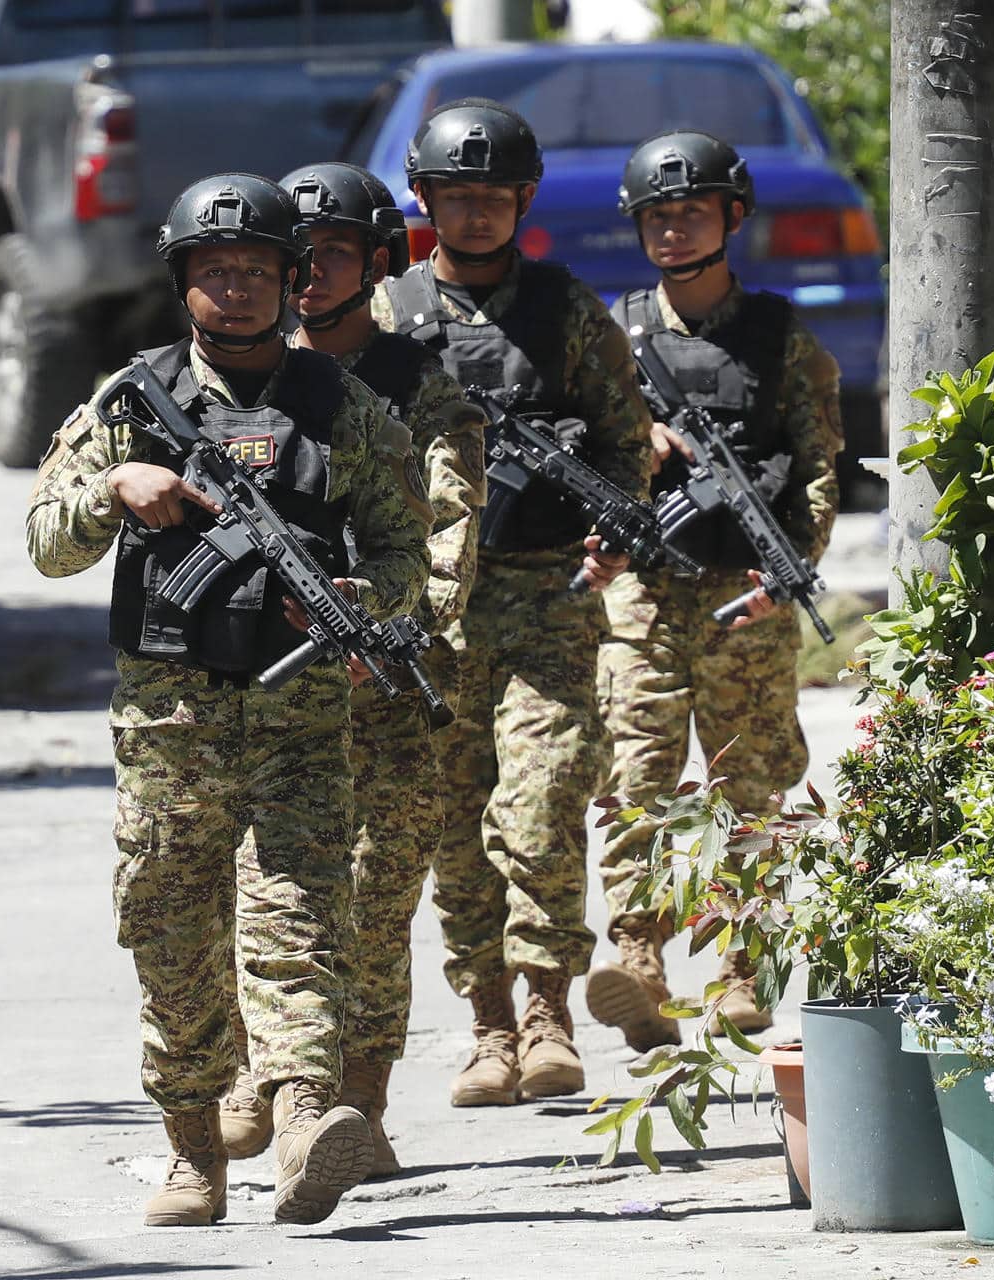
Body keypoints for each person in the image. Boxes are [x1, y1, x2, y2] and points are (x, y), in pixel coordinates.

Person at [25, 172, 431, 1227]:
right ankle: (194, 1147)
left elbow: (404, 548)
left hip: (298, 718)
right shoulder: (132, 399)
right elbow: (43, 540)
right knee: (170, 933)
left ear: (297, 281)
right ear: (183, 282)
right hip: (169, 723)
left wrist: (360, 596)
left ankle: (304, 1119)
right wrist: (114, 492)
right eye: (217, 272)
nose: (239, 291)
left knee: (298, 915)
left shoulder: (342, 407)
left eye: (260, 271)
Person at [371, 98, 654, 1105]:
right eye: (458, 196)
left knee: (539, 805)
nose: (477, 214)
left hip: (546, 596)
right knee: (455, 822)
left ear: (523, 201)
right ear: (425, 200)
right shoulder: (388, 313)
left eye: (494, 197)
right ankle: (488, 1024)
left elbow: (624, 439)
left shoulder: (567, 309)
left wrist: (616, 527)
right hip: (432, 613)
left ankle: (548, 1010)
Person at [214, 161, 486, 1177]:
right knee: (256, 881)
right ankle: (267, 1076)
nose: (314, 272)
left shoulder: (423, 391)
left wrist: (388, 624)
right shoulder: (248, 373)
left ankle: (356, 1104)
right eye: (302, 254)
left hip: (388, 683)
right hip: (263, 683)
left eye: (335, 253)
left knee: (373, 900)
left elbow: (450, 538)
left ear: (379, 263)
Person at [585, 131, 842, 1052]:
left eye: (690, 211)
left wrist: (790, 570)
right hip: (647, 594)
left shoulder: (781, 337)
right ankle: (637, 955)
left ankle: (743, 961)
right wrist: (634, 441)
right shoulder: (614, 340)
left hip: (747, 593)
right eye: (656, 214)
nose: (672, 228)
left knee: (750, 784)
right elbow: (571, 452)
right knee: (636, 778)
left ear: (732, 217)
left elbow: (817, 466)